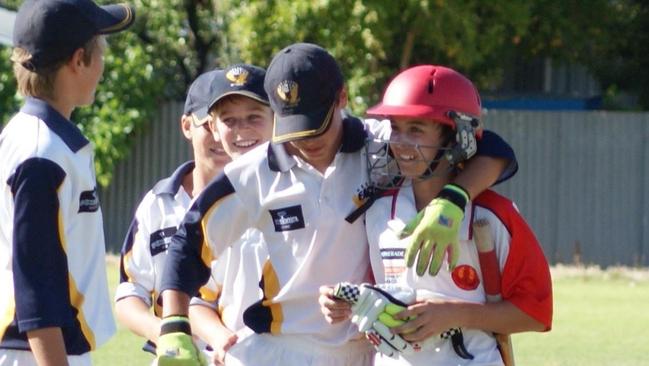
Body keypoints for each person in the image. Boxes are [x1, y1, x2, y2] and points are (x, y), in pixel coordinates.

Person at [156, 43, 516, 366]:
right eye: (295, 128)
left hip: (369, 350)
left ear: (342, 98)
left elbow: (491, 148)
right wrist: (174, 327)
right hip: (281, 350)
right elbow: (188, 244)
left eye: (317, 125)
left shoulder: (383, 146)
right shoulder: (252, 173)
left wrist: (454, 198)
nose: (307, 141)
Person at [320, 65, 553, 365]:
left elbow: (535, 313)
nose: (400, 142)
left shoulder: (493, 214)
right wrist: (343, 300)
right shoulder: (377, 210)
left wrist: (456, 315)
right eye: (395, 128)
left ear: (455, 137)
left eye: (416, 129)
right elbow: (374, 293)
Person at [0, 1, 134, 365]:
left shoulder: (36, 138)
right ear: (79, 60)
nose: (104, 67)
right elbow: (37, 290)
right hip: (38, 354)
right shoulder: (42, 153)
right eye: (100, 54)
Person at [114, 68, 230, 358]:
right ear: (186, 126)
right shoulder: (157, 203)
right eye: (208, 125)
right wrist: (170, 335)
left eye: (228, 123)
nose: (220, 136)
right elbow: (130, 294)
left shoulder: (267, 199)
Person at [186, 64, 273, 365]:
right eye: (230, 120)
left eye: (254, 117)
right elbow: (197, 300)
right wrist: (222, 339)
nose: (242, 131)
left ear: (277, 118)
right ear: (212, 127)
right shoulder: (216, 207)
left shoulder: (307, 185)